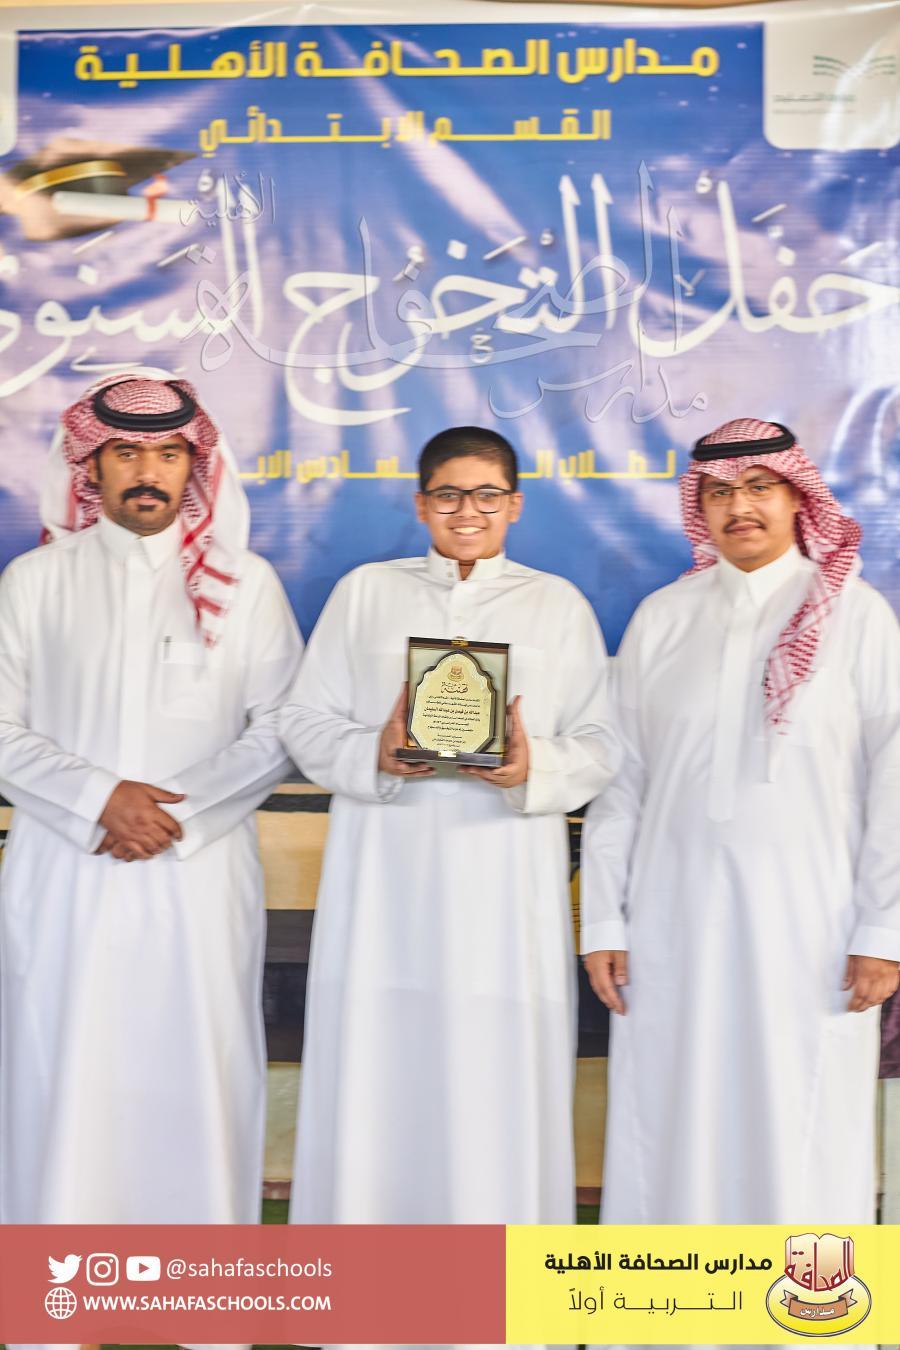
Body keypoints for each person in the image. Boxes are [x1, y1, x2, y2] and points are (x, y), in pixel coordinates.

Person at [280, 426, 619, 1238]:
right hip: (382, 889)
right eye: (449, 495)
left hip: (504, 891)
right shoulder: (365, 594)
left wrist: (533, 768)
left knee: (494, 1073)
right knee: (378, 1068)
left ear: (516, 505)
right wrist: (375, 752)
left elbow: (605, 746)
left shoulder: (557, 605)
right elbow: (302, 720)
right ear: (420, 503)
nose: (468, 512)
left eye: (487, 495)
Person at [0, 369, 302, 1244]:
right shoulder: (35, 581)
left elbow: (283, 728)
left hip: (197, 879)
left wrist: (182, 813)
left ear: (193, 466)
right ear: (90, 466)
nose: (148, 472)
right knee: (63, 1072)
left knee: (196, 1074)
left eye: (168, 454)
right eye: (127, 454)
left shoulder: (247, 585)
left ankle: (201, 1289)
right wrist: (100, 799)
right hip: (67, 875)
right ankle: (57, 1291)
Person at [581, 416, 900, 1225]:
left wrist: (884, 930)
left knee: (801, 1124)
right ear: (700, 507)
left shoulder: (858, 617)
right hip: (669, 923)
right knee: (671, 1118)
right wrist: (604, 918)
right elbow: (622, 779)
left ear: (798, 498)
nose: (739, 507)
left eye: (760, 486)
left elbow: (895, 780)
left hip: (813, 929)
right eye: (719, 493)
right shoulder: (663, 617)